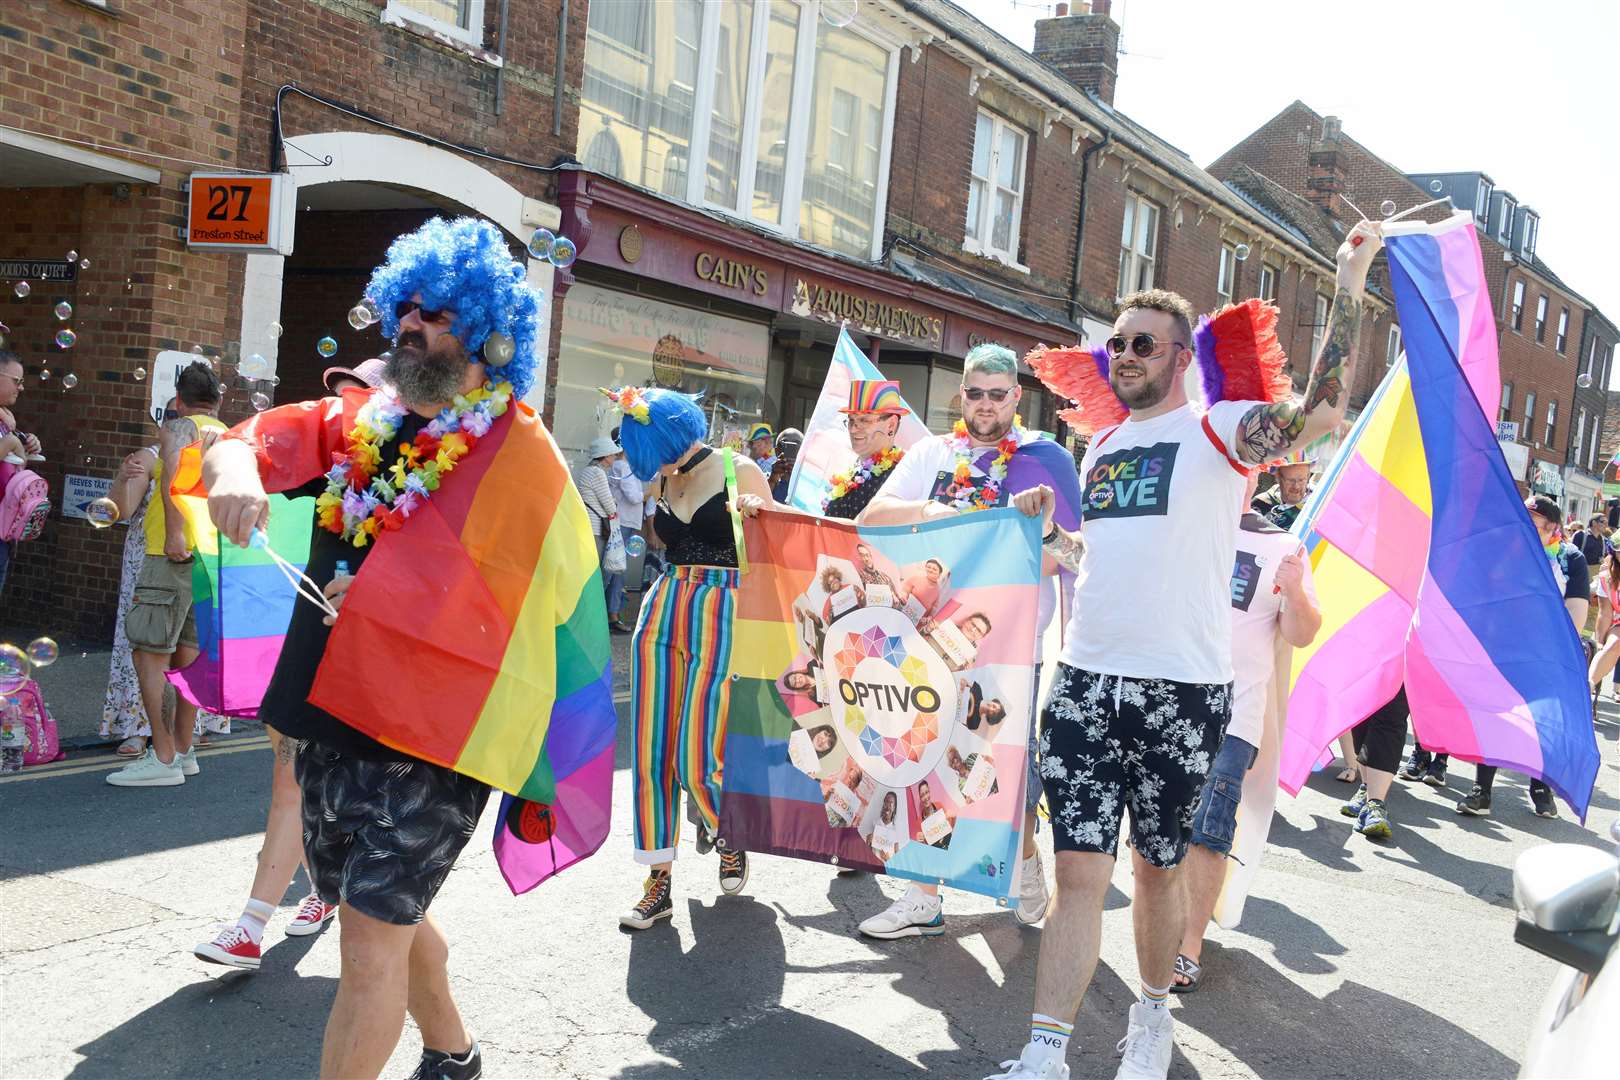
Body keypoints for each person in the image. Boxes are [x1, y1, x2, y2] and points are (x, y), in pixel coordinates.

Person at [988, 221, 1380, 1080]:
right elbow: (1117, 551)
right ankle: (1044, 1053)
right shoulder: (1104, 445)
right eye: (1116, 342)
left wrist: (1348, 281)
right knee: (1078, 872)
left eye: (1142, 344)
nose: (1122, 355)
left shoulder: (1220, 430)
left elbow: (1318, 414)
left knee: (1158, 872)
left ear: (1177, 357)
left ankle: (1154, 1014)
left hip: (1181, 693)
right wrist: (1052, 538)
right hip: (1087, 680)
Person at [198, 216, 571, 1080]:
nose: (410, 325)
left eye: (435, 313)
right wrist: (235, 470)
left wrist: (394, 602)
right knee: (377, 914)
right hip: (324, 711)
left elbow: (533, 606)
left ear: (488, 333)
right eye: (403, 307)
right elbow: (257, 437)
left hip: (432, 738)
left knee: (367, 946)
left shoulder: (524, 457)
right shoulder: (364, 421)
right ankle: (454, 1053)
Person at [858, 343, 1087, 936]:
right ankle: (922, 897)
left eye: (998, 393)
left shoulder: (1047, 459)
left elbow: (1077, 557)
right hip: (926, 644)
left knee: (1002, 778)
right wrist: (932, 511)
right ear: (961, 395)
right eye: (975, 393)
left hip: (1009, 648)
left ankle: (1026, 867)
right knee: (917, 765)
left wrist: (1046, 531)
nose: (985, 405)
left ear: (1017, 396)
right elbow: (872, 516)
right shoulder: (933, 453)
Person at [615, 386, 772, 931]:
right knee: (649, 747)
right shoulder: (662, 474)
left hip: (724, 606)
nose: (646, 464)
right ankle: (657, 880)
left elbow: (778, 552)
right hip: (664, 602)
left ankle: (728, 831)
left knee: (698, 751)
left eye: (649, 449)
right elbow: (661, 543)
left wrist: (759, 515)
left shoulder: (740, 468)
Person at [1172, 468, 1320, 993]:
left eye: (1241, 470)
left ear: (1255, 479)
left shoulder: (1282, 545)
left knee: (1208, 833)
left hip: (1234, 713)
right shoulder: (1177, 523)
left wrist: (1297, 589)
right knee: (1162, 828)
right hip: (1165, 701)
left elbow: (1301, 632)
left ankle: (1188, 945)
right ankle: (1165, 924)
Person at [105, 362, 227, 788]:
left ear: (177, 401)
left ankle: (161, 758)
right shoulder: (226, 433)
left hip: (168, 555)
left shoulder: (179, 429)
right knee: (187, 656)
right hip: (209, 559)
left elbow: (174, 469)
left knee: (150, 654)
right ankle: (184, 749)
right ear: (218, 399)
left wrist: (175, 531)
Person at [1457, 496, 1586, 819]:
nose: (1523, 525)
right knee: (1494, 715)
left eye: (1533, 521)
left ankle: (1541, 787)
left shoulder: (1570, 559)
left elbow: (1576, 611)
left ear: (1552, 528)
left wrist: (1558, 650)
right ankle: (1482, 790)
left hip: (1546, 652)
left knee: (1543, 720)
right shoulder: (1505, 552)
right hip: (1502, 646)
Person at [822, 380, 909, 521]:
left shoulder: (903, 474)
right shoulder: (855, 470)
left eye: (864, 420)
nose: (853, 429)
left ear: (891, 425)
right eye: (851, 420)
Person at [576, 435, 631, 634]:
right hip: (596, 528)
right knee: (597, 572)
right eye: (612, 454)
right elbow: (608, 502)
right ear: (604, 455)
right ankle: (589, 617)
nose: (615, 457)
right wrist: (614, 511)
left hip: (590, 526)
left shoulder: (588, 471)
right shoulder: (597, 473)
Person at [0, 349, 43, 596]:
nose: (21, 388)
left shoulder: (7, 420)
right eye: (16, 381)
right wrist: (10, 443)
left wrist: (25, 442)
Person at [608, 436, 646, 606]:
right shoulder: (622, 466)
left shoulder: (625, 466)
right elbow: (634, 497)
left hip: (627, 521)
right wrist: (650, 493)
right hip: (623, 522)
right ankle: (612, 612)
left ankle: (613, 611)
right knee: (617, 569)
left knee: (618, 568)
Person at [1250, 454, 1311, 530]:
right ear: (1277, 478)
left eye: (1301, 480)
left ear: (1308, 477)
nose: (1296, 486)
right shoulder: (1260, 503)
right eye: (1290, 480)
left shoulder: (1317, 510)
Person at [770, 427, 803, 503]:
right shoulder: (764, 478)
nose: (790, 448)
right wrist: (772, 479)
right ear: (777, 451)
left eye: (796, 445)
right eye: (784, 444)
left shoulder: (809, 481)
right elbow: (761, 502)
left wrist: (795, 477)